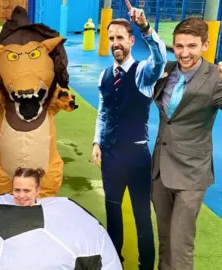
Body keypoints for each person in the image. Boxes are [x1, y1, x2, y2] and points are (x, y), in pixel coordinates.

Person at [91, 2, 167, 269]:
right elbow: (103, 112)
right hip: (111, 157)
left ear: (131, 40)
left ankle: (146, 265)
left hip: (137, 158)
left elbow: (160, 59)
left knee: (142, 217)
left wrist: (146, 27)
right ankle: (115, 262)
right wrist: (97, 142)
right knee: (113, 213)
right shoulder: (104, 75)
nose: (115, 43)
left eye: (120, 38)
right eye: (111, 38)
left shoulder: (144, 73)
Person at [151, 18, 222, 270]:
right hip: (160, 171)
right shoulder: (167, 69)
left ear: (206, 45)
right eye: (179, 46)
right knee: (165, 239)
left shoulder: (216, 77)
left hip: (191, 175)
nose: (184, 53)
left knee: (181, 244)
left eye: (192, 46)